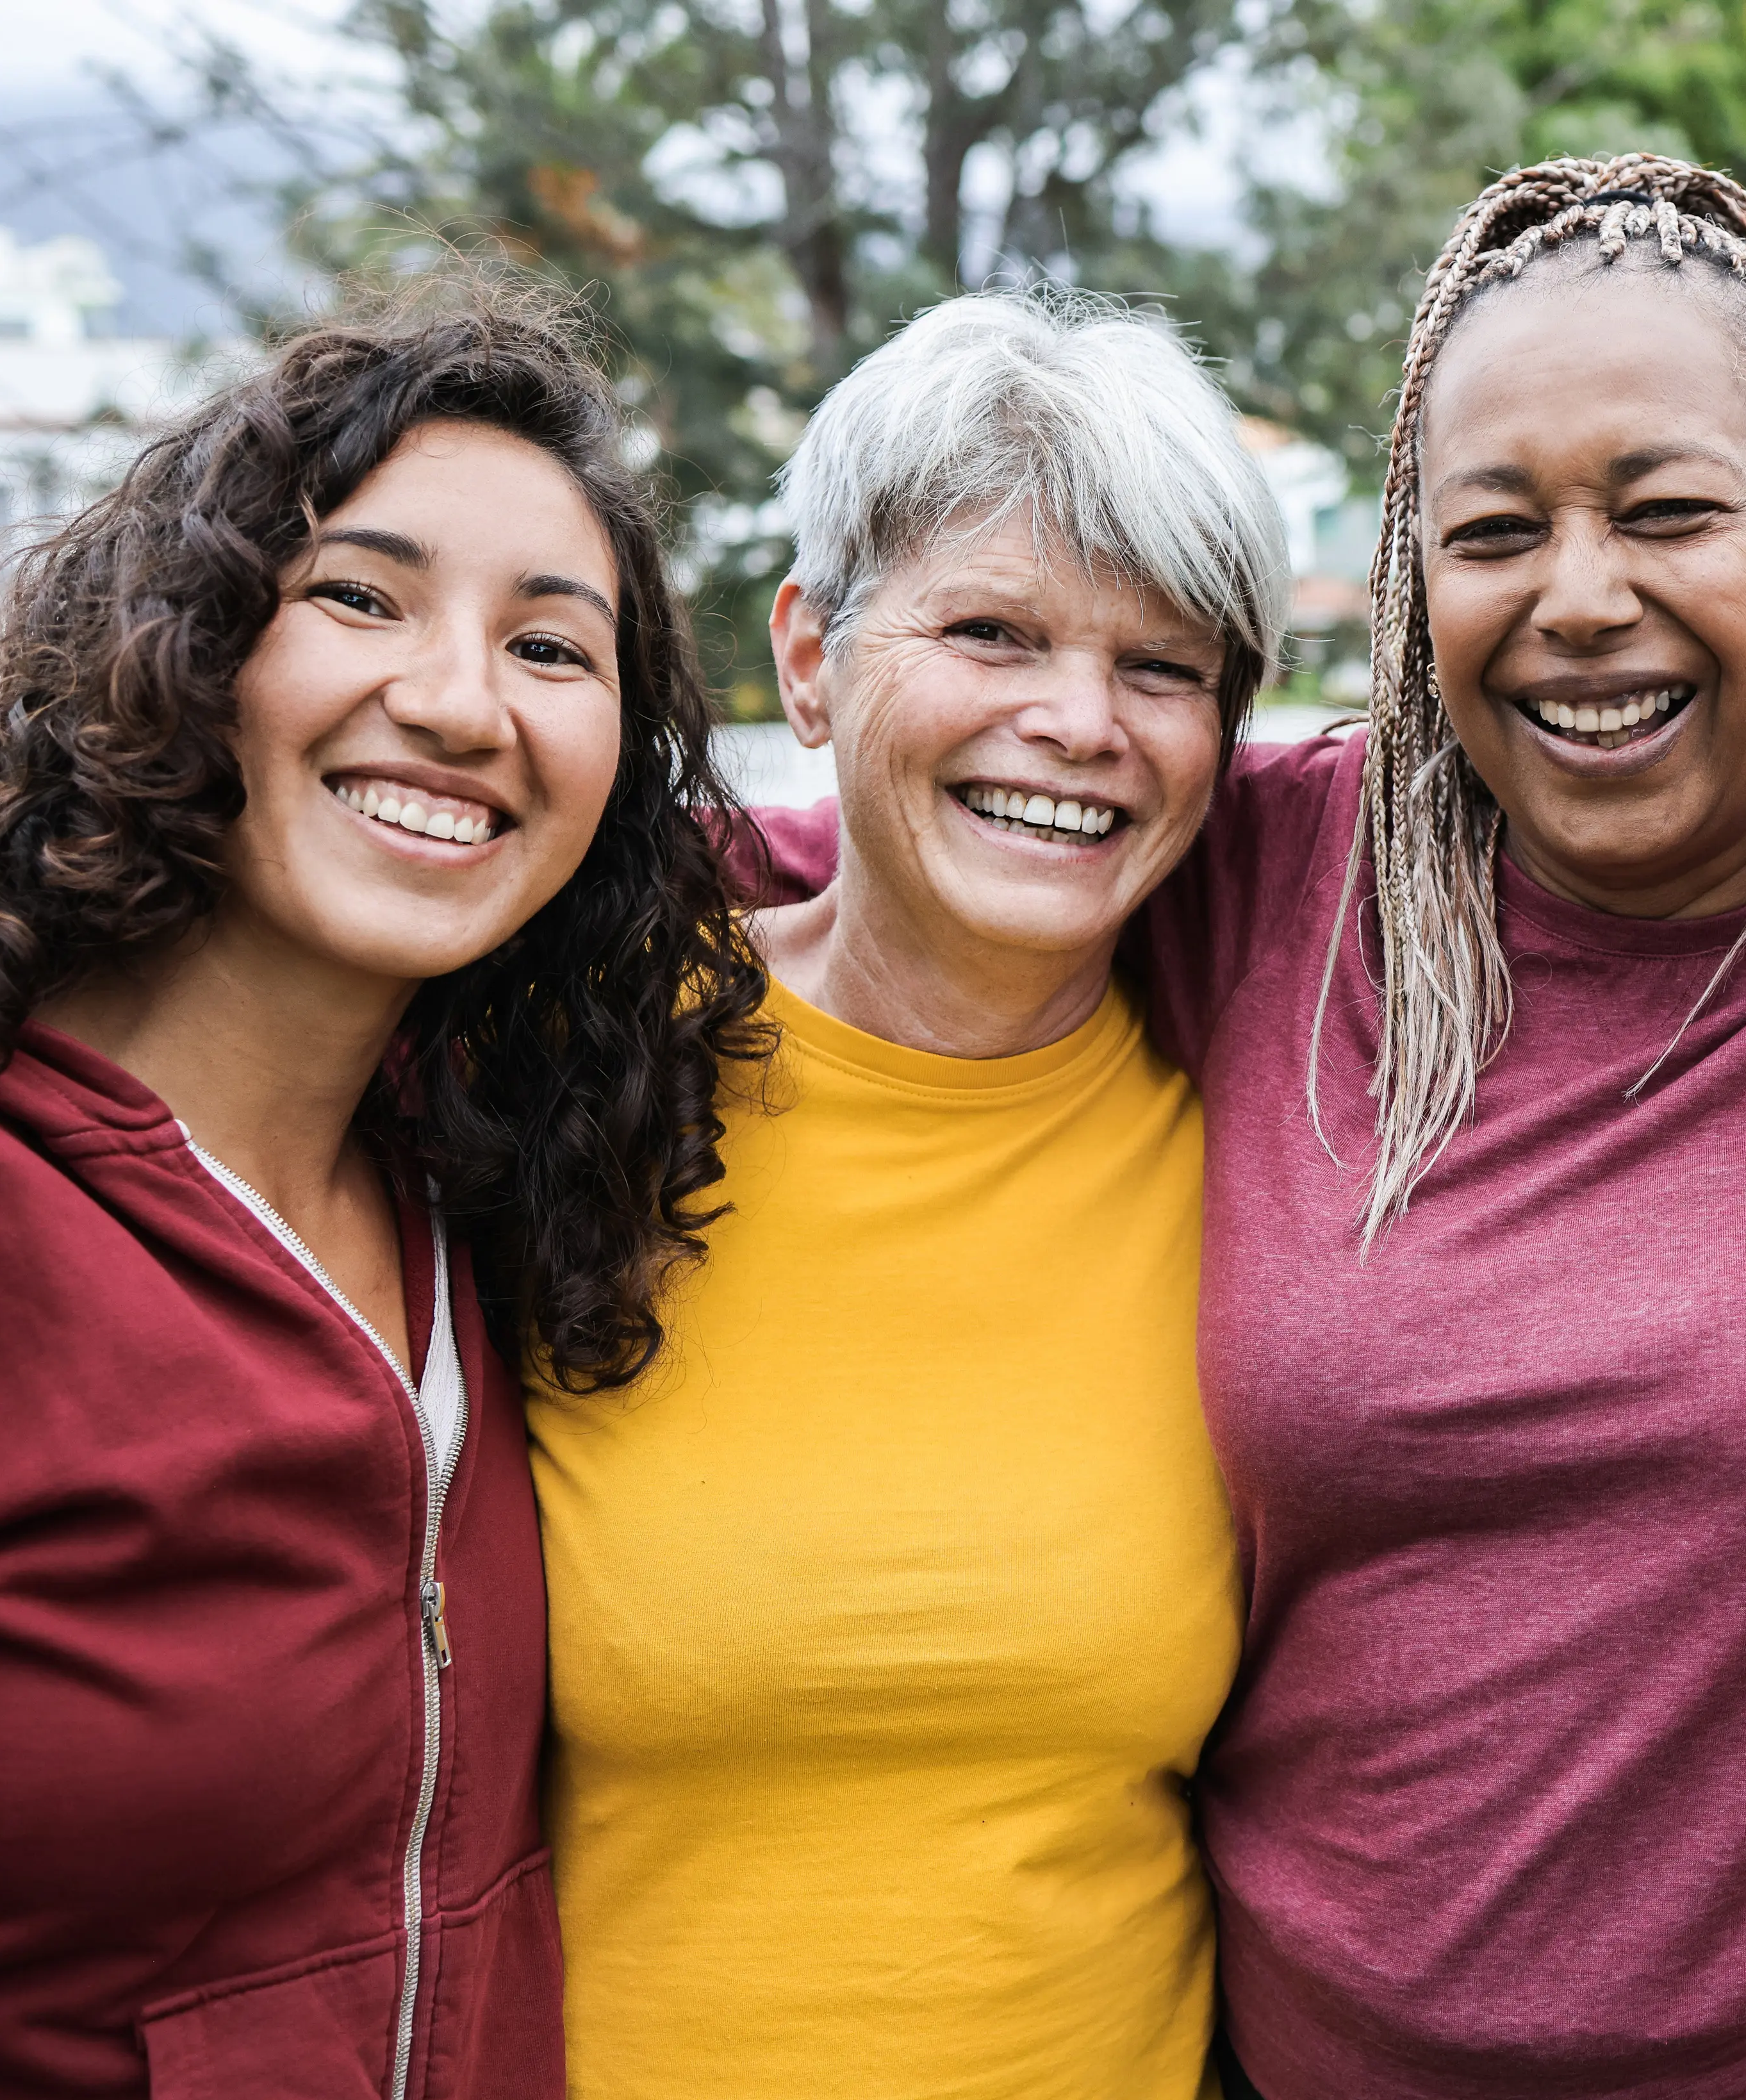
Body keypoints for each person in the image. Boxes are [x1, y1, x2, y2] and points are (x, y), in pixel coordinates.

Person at [748, 155, 1746, 2099]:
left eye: (1673, 511)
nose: (1581, 598)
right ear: (1412, 570)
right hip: (1304, 2059)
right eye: (1496, 530)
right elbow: (825, 854)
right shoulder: (1269, 873)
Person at [0, 283, 764, 2099]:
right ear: (183, 642)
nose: (457, 704)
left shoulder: (481, 1179)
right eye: (362, 595)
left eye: (553, 651)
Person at [526, 290, 1285, 2100]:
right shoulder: (563, 1074)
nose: (1079, 721)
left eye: (1163, 666)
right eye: (993, 631)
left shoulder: (1269, 1159)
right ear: (808, 657)